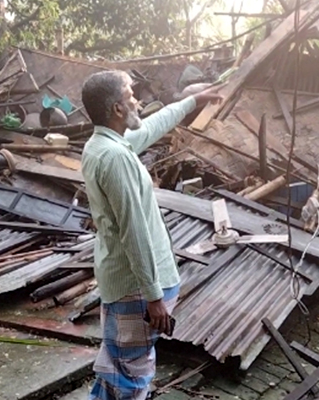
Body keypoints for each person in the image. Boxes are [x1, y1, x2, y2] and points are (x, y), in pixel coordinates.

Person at [80, 70, 222, 400]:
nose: (138, 102)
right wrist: (154, 296)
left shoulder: (104, 146)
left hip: (127, 286)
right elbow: (134, 230)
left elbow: (154, 126)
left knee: (119, 367)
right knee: (130, 376)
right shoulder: (115, 158)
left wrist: (191, 102)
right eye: (131, 96)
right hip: (136, 291)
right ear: (117, 108)